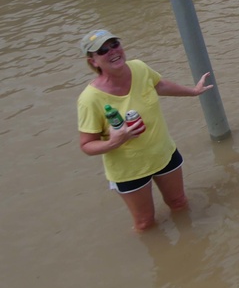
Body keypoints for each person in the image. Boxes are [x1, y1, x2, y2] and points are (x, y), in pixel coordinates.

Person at [77, 29, 214, 232]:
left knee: (179, 202)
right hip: (129, 170)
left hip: (163, 154)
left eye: (114, 44)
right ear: (93, 62)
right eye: (103, 50)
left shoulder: (139, 68)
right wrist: (114, 141)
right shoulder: (90, 99)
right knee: (145, 223)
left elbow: (161, 85)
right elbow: (87, 145)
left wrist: (193, 92)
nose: (112, 51)